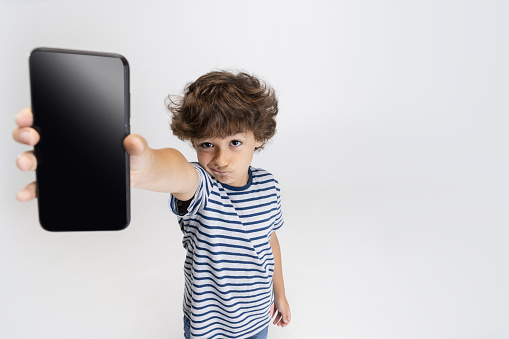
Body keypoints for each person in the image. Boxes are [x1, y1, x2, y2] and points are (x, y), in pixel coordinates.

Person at [13, 70, 291, 339]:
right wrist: (144, 166)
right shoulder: (204, 187)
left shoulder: (269, 186)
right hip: (210, 328)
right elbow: (177, 172)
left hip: (257, 318)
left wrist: (280, 294)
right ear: (193, 141)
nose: (220, 159)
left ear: (260, 137)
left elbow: (270, 240)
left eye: (235, 142)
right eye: (206, 144)